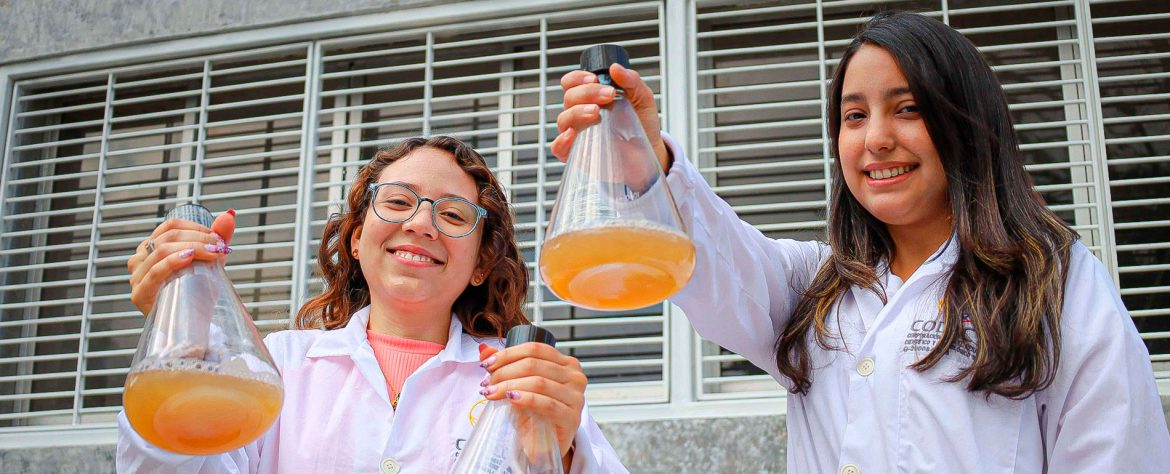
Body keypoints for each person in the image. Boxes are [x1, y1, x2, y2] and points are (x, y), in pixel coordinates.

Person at [554, 11, 1170, 473]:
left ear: (966, 123)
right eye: (854, 116)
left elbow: (1117, 456)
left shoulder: (1054, 284)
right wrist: (644, 160)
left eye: (908, 108)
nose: (875, 139)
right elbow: (718, 262)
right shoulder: (815, 288)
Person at [118, 136, 628, 473]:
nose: (422, 224)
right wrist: (182, 340)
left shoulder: (526, 382)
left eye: (453, 215)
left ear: (480, 263)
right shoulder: (278, 366)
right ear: (358, 240)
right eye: (399, 202)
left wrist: (563, 453)